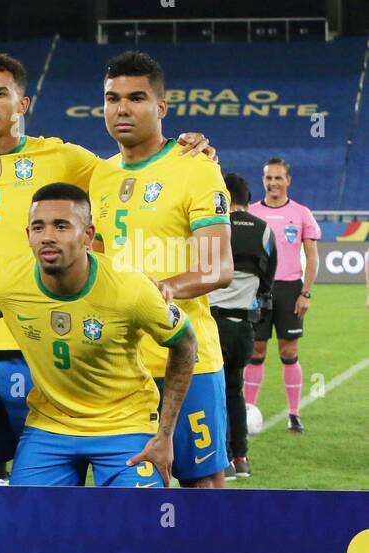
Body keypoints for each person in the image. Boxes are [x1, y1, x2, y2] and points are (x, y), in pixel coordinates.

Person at [0, 53, 211, 485]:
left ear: (23, 103)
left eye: (0, 93)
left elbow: (131, 171)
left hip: (42, 344)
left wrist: (185, 151)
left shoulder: (65, 158)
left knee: (44, 453)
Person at [0, 184, 197, 487]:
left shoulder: (130, 289)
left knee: (140, 525)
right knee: (26, 525)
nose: (48, 236)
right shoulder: (13, 281)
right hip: (50, 427)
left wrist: (165, 435)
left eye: (62, 226)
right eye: (38, 227)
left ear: (88, 235)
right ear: (28, 235)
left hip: (125, 425)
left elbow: (185, 342)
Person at [89, 50, 234, 488]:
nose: (122, 109)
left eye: (136, 98)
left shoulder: (197, 168)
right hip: (119, 364)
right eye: (113, 98)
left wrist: (161, 288)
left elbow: (218, 267)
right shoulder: (99, 176)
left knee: (202, 487)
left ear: (161, 108)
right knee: (135, 496)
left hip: (186, 357)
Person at [245, 157, 320, 433]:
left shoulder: (301, 213)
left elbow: (312, 259)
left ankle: (294, 413)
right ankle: (248, 411)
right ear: (263, 180)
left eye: (278, 178)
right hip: (258, 289)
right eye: (268, 178)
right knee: (256, 350)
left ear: (288, 180)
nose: (273, 183)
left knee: (289, 351)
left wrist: (305, 293)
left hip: (290, 289)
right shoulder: (251, 213)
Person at [212, 174, 275, 479]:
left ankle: (220, 458)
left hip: (214, 323)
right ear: (248, 200)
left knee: (213, 392)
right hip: (244, 328)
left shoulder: (215, 227)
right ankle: (241, 458)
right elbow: (268, 281)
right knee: (235, 390)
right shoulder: (265, 231)